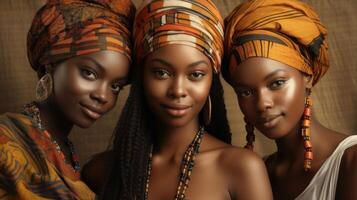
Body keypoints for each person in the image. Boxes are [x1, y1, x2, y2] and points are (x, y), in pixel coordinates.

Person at [82, 0, 273, 199]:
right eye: (161, 73)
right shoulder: (102, 172)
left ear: (211, 83)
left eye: (196, 74)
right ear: (142, 77)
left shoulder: (241, 168)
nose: (178, 90)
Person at [222, 0, 357, 199]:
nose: (262, 103)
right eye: (245, 92)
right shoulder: (256, 174)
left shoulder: (350, 162)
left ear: (308, 76)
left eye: (276, 83)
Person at [0, 0, 135, 199]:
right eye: (89, 73)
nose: (103, 96)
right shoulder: (6, 143)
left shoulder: (66, 151)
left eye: (115, 86)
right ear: (50, 64)